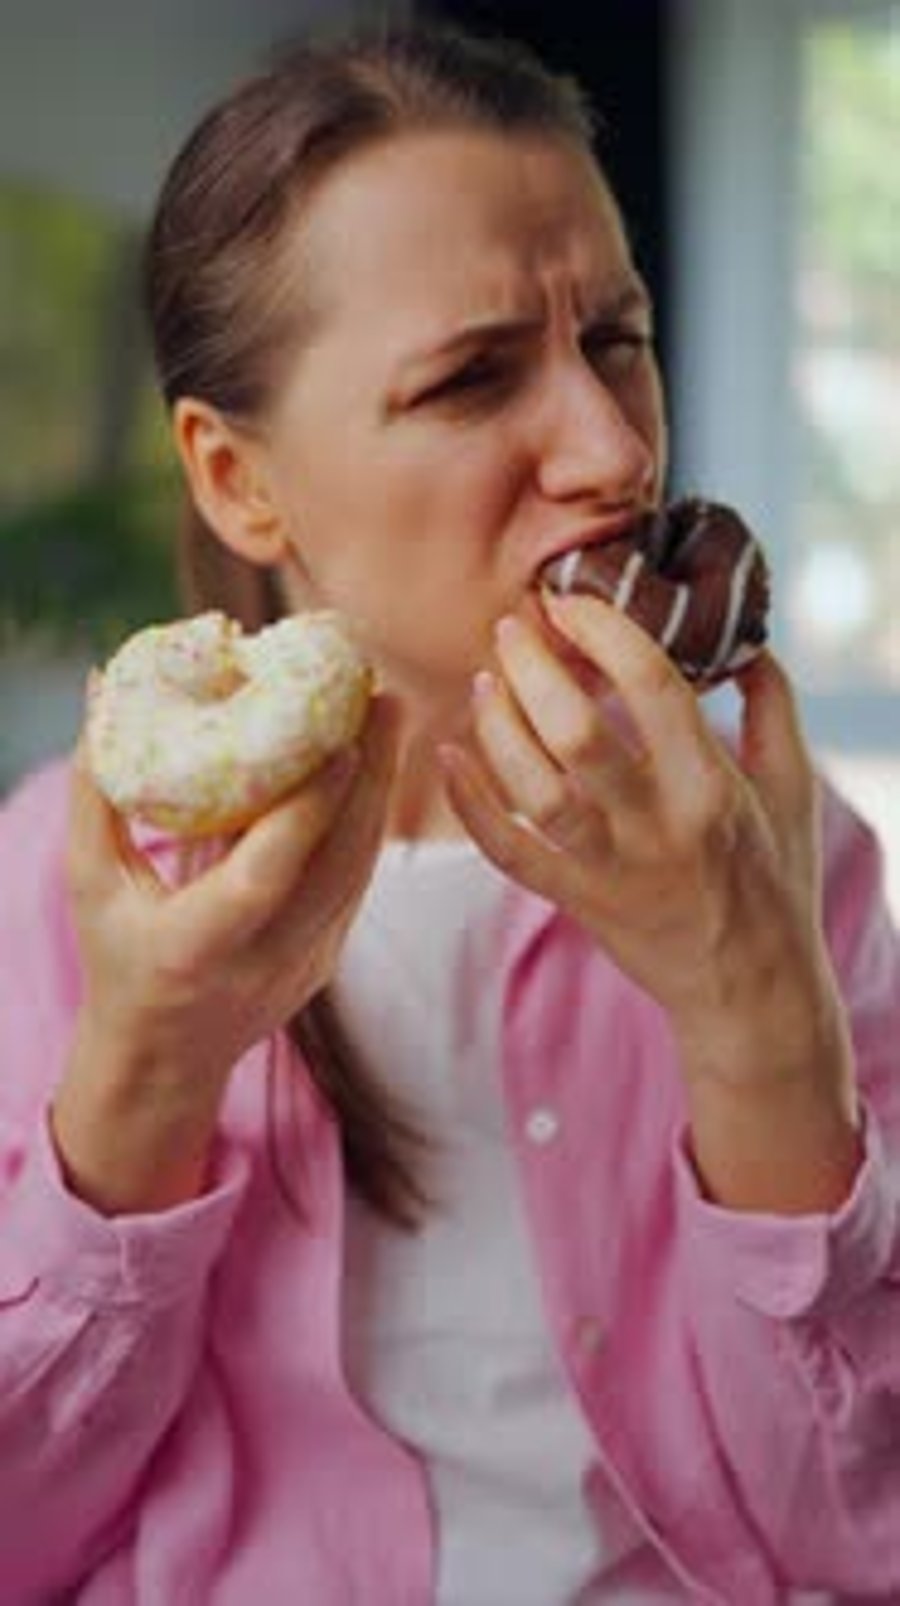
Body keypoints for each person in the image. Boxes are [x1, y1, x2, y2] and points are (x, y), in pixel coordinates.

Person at [0, 21, 898, 1605]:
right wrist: (149, 1066)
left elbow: (866, 1528)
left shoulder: (779, 852)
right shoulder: (59, 884)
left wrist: (758, 1014)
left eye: (617, 340)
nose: (616, 453)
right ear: (236, 478)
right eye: (472, 376)